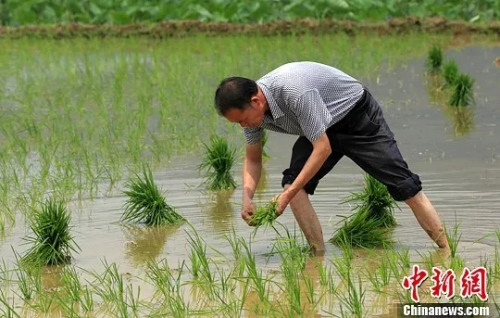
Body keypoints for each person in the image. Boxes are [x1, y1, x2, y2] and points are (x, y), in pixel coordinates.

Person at [214, 61, 450, 256]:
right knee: (294, 184)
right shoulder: (252, 114)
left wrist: (285, 197)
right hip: (318, 128)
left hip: (355, 117)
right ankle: (317, 256)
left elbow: (322, 148)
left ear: (256, 101)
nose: (242, 126)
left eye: (242, 119)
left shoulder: (294, 91)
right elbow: (253, 159)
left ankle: (448, 252)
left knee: (405, 186)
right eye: (237, 123)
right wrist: (247, 198)